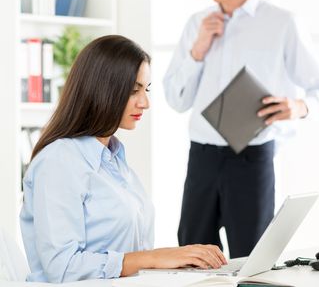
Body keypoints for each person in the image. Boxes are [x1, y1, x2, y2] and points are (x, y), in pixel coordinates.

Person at [163, 0, 319, 258]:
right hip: (202, 158)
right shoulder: (197, 24)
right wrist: (197, 51)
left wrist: (299, 106)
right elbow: (176, 98)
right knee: (191, 256)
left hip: (251, 160)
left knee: (254, 260)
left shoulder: (282, 23)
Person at [20, 35, 227, 283]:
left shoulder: (113, 158)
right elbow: (62, 268)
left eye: (146, 89)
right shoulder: (59, 161)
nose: (145, 102)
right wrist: (155, 258)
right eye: (133, 90)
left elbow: (128, 257)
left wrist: (179, 260)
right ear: (101, 89)